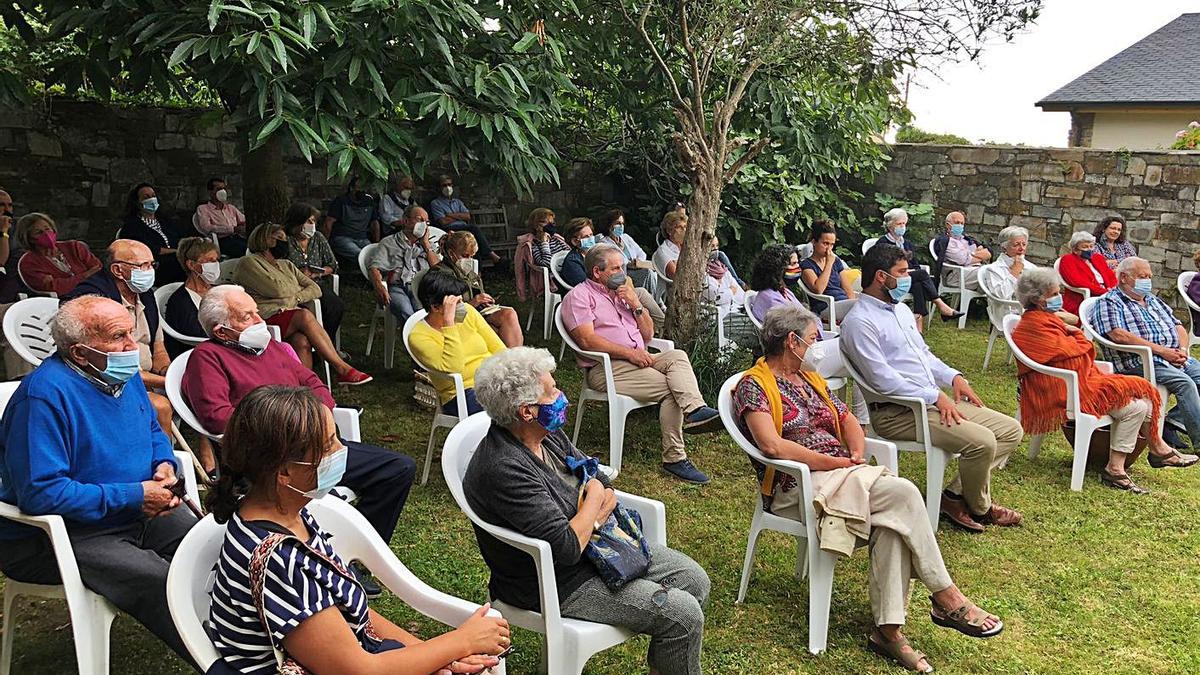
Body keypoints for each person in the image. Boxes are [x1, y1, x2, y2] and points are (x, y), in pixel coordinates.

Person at [735, 305, 1003, 672]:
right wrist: (837, 463)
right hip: (798, 488)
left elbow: (848, 419)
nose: (819, 345)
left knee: (893, 525)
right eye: (814, 339)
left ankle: (888, 633)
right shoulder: (754, 384)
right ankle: (946, 596)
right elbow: (772, 447)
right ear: (791, 341)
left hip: (844, 476)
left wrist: (857, 452)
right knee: (905, 493)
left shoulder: (809, 378)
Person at [207, 385, 507, 674]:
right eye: (327, 446)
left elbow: (350, 611)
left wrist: (435, 656)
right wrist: (461, 641)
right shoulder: (278, 560)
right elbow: (358, 670)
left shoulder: (289, 515)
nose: (342, 450)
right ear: (284, 471)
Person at [465, 347, 710, 675]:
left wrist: (591, 507)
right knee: (682, 615)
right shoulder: (504, 467)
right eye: (552, 392)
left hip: (598, 552)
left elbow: (599, 478)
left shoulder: (544, 434)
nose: (561, 395)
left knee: (694, 579)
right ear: (526, 411)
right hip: (555, 582)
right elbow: (567, 547)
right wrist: (594, 501)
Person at [0, 296, 197, 666]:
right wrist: (133, 495)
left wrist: (164, 465)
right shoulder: (43, 398)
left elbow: (153, 430)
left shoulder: (118, 375)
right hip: (59, 535)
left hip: (134, 513)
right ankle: (224, 662)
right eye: (118, 336)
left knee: (209, 547)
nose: (131, 346)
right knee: (162, 581)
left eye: (130, 333)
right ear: (79, 352)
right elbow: (41, 494)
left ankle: (260, 637)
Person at [185, 285, 415, 594]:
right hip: (272, 459)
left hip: (317, 443)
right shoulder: (208, 357)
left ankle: (357, 560)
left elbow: (313, 383)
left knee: (397, 468)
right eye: (246, 316)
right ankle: (323, 561)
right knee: (320, 496)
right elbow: (216, 415)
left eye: (256, 311)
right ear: (222, 331)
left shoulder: (273, 349)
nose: (258, 320)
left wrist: (317, 414)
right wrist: (285, 423)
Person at [841, 243, 1024, 532]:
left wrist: (953, 377)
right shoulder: (860, 322)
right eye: (901, 273)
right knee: (983, 441)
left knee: (1010, 431)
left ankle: (953, 496)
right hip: (898, 413)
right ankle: (980, 507)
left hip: (929, 402)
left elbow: (924, 355)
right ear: (880, 276)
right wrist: (935, 395)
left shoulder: (900, 310)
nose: (907, 278)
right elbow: (881, 379)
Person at [1012, 268, 1197, 493]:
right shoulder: (1033, 326)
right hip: (1059, 388)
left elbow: (1077, 349)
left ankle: (1126, 463)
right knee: (1138, 405)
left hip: (1080, 380)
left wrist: (1073, 333)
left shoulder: (1049, 320)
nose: (1059, 298)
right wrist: (1077, 335)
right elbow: (1079, 349)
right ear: (1039, 300)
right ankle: (1130, 463)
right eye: (1054, 294)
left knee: (1144, 402)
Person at [562, 244, 720, 484]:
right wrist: (629, 354)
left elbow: (647, 334)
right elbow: (587, 340)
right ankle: (674, 459)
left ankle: (695, 410)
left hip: (639, 357)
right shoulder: (579, 297)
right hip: (606, 368)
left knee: (677, 356)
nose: (622, 272)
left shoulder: (623, 293)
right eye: (616, 268)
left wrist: (636, 304)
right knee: (671, 389)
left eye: (622, 266)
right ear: (597, 272)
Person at [62, 239, 176, 435]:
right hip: (112, 378)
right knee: (161, 406)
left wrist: (167, 371)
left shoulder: (145, 294)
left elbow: (158, 347)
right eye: (143, 265)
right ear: (118, 270)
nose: (150, 271)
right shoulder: (94, 302)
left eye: (152, 264)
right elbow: (107, 364)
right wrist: (170, 383)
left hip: (149, 377)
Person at [234, 223, 371, 385]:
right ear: (265, 240)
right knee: (305, 315)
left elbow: (315, 288)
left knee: (302, 341)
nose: (284, 242)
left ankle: (306, 389)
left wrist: (295, 298)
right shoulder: (249, 263)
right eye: (279, 238)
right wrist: (296, 290)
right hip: (264, 318)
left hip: (288, 314)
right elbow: (278, 290)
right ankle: (341, 368)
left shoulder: (286, 264)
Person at [1093, 257, 1200, 450]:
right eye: (1143, 276)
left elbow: (1178, 326)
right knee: (1185, 384)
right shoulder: (1109, 301)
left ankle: (1173, 421)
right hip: (1140, 360)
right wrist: (1163, 352)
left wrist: (1182, 350)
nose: (1148, 281)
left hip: (1173, 356)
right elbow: (1118, 335)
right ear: (1124, 277)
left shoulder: (1152, 300)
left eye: (1149, 276)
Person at [409, 272, 505, 416]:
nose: (463, 306)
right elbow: (453, 367)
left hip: (494, 380)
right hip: (461, 394)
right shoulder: (419, 336)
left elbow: (499, 349)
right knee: (518, 407)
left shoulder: (469, 313)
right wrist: (449, 324)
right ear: (436, 307)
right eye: (455, 304)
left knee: (539, 394)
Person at [868, 208, 962, 332]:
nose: (902, 227)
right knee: (922, 274)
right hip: (891, 280)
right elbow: (883, 267)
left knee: (918, 284)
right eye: (899, 224)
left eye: (904, 224)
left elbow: (916, 266)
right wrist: (905, 272)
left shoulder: (907, 244)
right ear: (890, 226)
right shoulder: (883, 243)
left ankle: (919, 327)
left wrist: (909, 272)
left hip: (908, 278)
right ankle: (941, 305)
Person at [434, 231, 523, 347]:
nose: (470, 260)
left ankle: (514, 360)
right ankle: (514, 360)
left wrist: (485, 301)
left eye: (472, 256)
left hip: (475, 314)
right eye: (466, 256)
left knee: (509, 314)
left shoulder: (467, 271)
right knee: (502, 329)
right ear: (451, 253)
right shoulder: (441, 274)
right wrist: (474, 302)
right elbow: (446, 311)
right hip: (455, 320)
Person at [367, 205, 440, 324]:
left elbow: (439, 269)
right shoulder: (389, 242)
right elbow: (374, 267)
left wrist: (426, 245)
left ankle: (422, 339)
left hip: (421, 287)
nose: (424, 225)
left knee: (423, 312)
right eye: (420, 220)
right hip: (397, 286)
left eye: (427, 222)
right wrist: (378, 285)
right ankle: (417, 339)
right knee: (406, 312)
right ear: (406, 221)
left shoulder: (428, 245)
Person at [283, 202, 344, 341]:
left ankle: (327, 342)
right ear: (296, 222)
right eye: (308, 221)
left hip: (315, 282)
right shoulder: (285, 239)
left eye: (314, 221)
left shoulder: (318, 238)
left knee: (335, 306)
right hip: (293, 285)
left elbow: (332, 264)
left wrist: (318, 273)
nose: (312, 225)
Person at [14, 212, 101, 295]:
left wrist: (69, 282)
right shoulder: (29, 262)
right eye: (38, 232)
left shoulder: (74, 247)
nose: (46, 234)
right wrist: (86, 275)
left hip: (96, 293)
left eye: (47, 229)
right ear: (29, 238)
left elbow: (98, 269)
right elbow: (53, 287)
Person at [163, 236, 220, 358]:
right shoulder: (180, 301)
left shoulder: (219, 290)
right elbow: (195, 334)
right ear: (191, 265)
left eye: (216, 260)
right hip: (199, 354)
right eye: (209, 261)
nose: (215, 265)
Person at [120, 182, 185, 284]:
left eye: (153, 196)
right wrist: (177, 251)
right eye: (146, 197)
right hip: (155, 266)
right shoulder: (132, 226)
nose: (151, 199)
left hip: (177, 259)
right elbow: (149, 249)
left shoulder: (165, 221)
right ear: (137, 202)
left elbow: (180, 237)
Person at [430, 175, 500, 264]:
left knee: (472, 243)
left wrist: (450, 215)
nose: (447, 188)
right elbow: (443, 221)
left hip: (464, 228)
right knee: (474, 229)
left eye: (449, 185)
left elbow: (467, 216)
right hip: (450, 230)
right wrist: (459, 216)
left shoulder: (458, 202)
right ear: (439, 188)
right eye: (444, 185)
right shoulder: (436, 203)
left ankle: (478, 273)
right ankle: (492, 256)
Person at [798, 220, 858, 320]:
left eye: (832, 244)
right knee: (862, 306)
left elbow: (848, 290)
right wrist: (829, 263)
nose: (829, 249)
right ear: (814, 242)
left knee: (871, 302)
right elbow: (818, 289)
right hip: (825, 306)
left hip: (844, 303)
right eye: (825, 243)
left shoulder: (836, 261)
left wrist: (851, 308)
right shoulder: (806, 265)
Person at [595, 208, 657, 293]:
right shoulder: (604, 243)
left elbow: (641, 253)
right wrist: (628, 264)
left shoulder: (626, 237)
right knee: (647, 273)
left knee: (651, 273)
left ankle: (653, 299)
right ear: (609, 225)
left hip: (637, 268)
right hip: (622, 273)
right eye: (618, 223)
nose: (621, 226)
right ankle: (653, 300)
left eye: (622, 223)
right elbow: (613, 262)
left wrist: (637, 262)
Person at [1056, 230, 1116, 315]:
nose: (1089, 249)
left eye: (1091, 246)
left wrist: (1112, 289)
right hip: (1082, 297)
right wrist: (1103, 292)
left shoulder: (1098, 258)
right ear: (1075, 249)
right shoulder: (1068, 260)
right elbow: (1076, 281)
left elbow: (1110, 276)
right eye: (1085, 247)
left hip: (1107, 294)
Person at [930, 211, 991, 292]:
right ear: (948, 225)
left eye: (962, 223)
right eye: (957, 222)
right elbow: (962, 260)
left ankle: (996, 302)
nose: (960, 225)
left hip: (973, 272)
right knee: (990, 273)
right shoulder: (947, 242)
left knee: (998, 273)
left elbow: (988, 254)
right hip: (956, 276)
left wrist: (970, 255)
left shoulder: (968, 240)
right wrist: (978, 255)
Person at [323, 176, 380, 260]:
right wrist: (325, 246)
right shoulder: (341, 201)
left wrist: (377, 244)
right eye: (359, 188)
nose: (361, 191)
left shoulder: (369, 202)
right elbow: (328, 223)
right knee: (360, 255)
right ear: (351, 188)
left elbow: (375, 224)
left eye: (363, 188)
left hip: (362, 238)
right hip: (343, 237)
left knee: (376, 255)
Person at [749, 244, 805, 323]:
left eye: (797, 263)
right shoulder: (768, 297)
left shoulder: (785, 292)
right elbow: (798, 325)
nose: (798, 266)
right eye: (793, 264)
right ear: (777, 268)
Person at [194, 176, 248, 258]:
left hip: (237, 238)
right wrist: (233, 229)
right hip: (222, 241)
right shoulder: (203, 209)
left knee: (255, 247)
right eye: (218, 189)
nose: (222, 191)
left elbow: (243, 220)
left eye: (224, 188)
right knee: (244, 250)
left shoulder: (230, 208)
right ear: (210, 192)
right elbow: (207, 227)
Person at [558, 217, 596, 287]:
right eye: (586, 237)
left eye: (591, 235)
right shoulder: (572, 262)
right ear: (575, 242)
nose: (591, 239)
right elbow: (586, 287)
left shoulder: (594, 255)